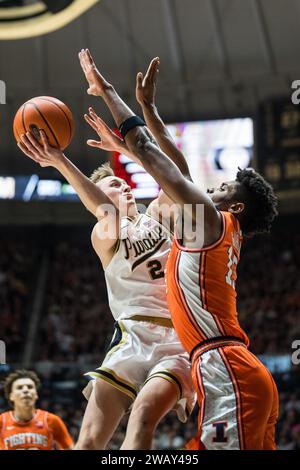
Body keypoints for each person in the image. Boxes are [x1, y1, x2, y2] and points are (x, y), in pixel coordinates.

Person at [80, 49, 280, 450]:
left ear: (235, 206)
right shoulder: (215, 228)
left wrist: (112, 95)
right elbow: (175, 166)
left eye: (222, 189)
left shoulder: (208, 222)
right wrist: (149, 110)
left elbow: (160, 159)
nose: (211, 188)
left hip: (226, 367)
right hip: (231, 367)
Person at [17, 56, 196, 450]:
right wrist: (60, 159)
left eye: (126, 183)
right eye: (116, 184)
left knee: (144, 424)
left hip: (175, 338)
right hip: (131, 337)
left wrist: (130, 153)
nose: (126, 187)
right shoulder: (104, 235)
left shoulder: (158, 216)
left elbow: (178, 174)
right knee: (89, 442)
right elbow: (105, 210)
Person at [0, 369, 73, 450]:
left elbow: (69, 448)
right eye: (20, 388)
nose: (25, 390)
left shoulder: (52, 420)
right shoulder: (1, 422)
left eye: (30, 387)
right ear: (11, 396)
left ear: (36, 394)